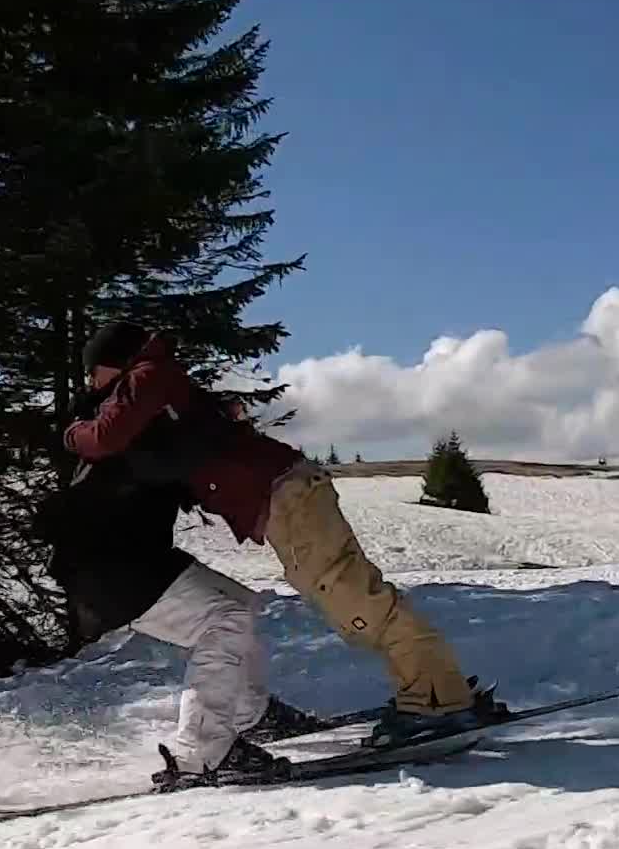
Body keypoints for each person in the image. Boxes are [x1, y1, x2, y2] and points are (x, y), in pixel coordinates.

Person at [60, 319, 503, 754]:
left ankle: (436, 700)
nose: (92, 385)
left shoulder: (148, 374)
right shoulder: (160, 385)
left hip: (286, 495)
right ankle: (434, 689)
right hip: (287, 495)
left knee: (358, 602)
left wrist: (70, 433)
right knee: (351, 598)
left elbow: (104, 436)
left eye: (93, 372)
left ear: (111, 361)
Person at [33, 450, 322, 789]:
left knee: (244, 604)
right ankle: (202, 752)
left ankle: (250, 715)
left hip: (137, 557)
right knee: (227, 619)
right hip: (114, 570)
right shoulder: (155, 424)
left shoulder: (152, 425)